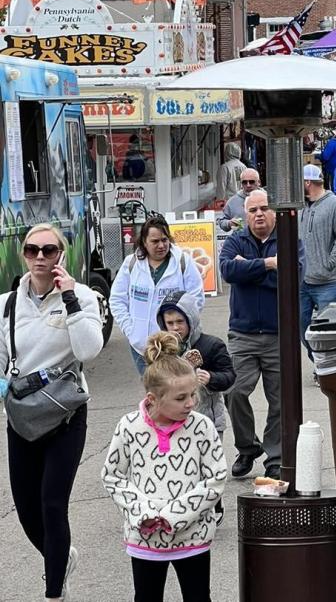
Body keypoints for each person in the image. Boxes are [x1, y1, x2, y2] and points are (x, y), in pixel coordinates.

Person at [0, 223, 103, 602]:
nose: (40, 257)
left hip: (65, 415)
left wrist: (71, 298)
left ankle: (54, 593)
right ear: (23, 254)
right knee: (27, 513)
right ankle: (61, 557)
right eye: (32, 250)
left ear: (62, 253)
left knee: (52, 504)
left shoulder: (84, 297)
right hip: (23, 418)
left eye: (48, 250)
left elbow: (89, 350)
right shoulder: (6, 304)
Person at [102, 331, 227, 602]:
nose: (191, 403)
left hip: (192, 537)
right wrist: (142, 512)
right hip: (144, 538)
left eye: (193, 394)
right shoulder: (129, 426)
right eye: (181, 398)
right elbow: (112, 476)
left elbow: (216, 477)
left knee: (198, 597)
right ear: (152, 399)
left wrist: (175, 514)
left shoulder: (202, 426)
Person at [219, 189, 303, 478]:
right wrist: (268, 265)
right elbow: (229, 272)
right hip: (242, 334)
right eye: (253, 210)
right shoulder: (235, 241)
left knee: (280, 400)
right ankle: (247, 447)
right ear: (245, 215)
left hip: (279, 334)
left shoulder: (290, 240)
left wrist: (248, 270)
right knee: (234, 391)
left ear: (274, 211)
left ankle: (275, 458)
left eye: (264, 208)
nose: (258, 214)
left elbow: (292, 278)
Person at [156, 293, 235, 518]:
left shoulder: (211, 345)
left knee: (208, 466)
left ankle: (214, 504)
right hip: (173, 420)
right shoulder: (162, 348)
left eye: (180, 322)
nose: (175, 328)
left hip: (208, 418)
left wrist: (211, 378)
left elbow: (230, 377)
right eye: (169, 323)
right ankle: (183, 506)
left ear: (191, 319)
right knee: (181, 467)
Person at [110, 215, 205, 375]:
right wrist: (131, 330)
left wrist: (180, 331)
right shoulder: (131, 263)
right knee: (152, 394)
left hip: (175, 348)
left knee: (174, 393)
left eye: (165, 239)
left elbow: (196, 300)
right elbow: (117, 300)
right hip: (142, 348)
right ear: (144, 242)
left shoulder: (183, 262)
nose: (161, 245)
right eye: (155, 241)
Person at [299, 165, 336, 359]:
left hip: (328, 281)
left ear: (307, 183)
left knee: (327, 329)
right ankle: (318, 361)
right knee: (302, 327)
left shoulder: (335, 204)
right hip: (302, 281)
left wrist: (330, 263)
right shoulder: (300, 205)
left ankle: (325, 366)